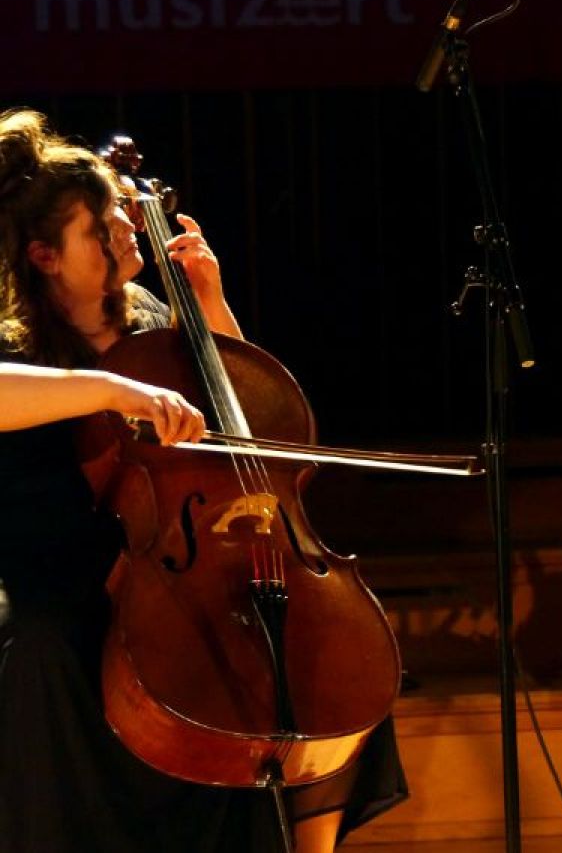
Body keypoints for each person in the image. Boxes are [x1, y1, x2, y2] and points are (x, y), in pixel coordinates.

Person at [0, 109, 406, 853]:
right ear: (45, 256)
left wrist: (210, 300)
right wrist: (111, 391)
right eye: (103, 224)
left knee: (322, 654)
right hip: (66, 569)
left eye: (124, 213)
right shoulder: (16, 343)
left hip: (181, 560)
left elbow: (253, 415)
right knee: (46, 650)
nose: (128, 230)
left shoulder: (155, 316)